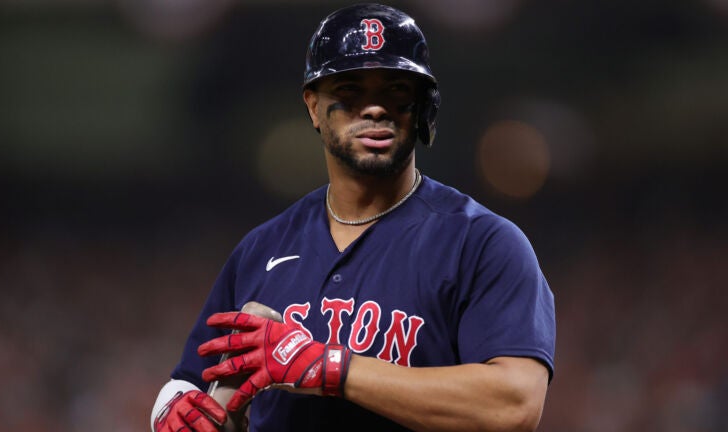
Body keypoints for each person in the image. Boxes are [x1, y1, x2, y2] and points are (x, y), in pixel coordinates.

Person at [151, 3, 556, 432]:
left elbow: (514, 405)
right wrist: (172, 410)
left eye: (396, 89)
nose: (374, 108)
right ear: (312, 106)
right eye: (349, 91)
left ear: (421, 106)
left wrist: (330, 367)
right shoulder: (262, 249)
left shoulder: (482, 243)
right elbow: (190, 384)